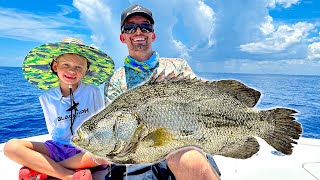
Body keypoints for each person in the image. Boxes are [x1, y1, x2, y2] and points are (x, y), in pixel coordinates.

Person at [104, 4, 221, 180]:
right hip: (139, 154)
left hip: (184, 142)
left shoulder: (178, 67)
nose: (138, 31)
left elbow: (203, 106)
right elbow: (118, 133)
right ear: (123, 37)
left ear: (153, 35)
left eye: (145, 26)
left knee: (189, 161)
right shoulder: (114, 81)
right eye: (130, 27)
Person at [4, 37, 115, 180]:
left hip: (87, 148)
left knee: (107, 153)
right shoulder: (46, 97)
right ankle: (69, 175)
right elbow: (53, 130)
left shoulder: (92, 91)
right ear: (55, 66)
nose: (72, 71)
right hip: (59, 147)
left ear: (85, 71)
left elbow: (102, 123)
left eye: (78, 67)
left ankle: (50, 169)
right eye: (66, 65)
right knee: (11, 147)